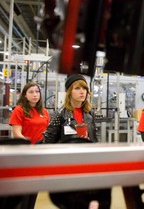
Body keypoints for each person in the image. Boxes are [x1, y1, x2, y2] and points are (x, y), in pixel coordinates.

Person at [43, 74, 111, 209]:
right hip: (68, 165)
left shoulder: (89, 113)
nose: (82, 92)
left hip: (88, 163)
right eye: (77, 88)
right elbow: (48, 143)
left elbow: (95, 139)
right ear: (69, 92)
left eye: (84, 89)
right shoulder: (60, 114)